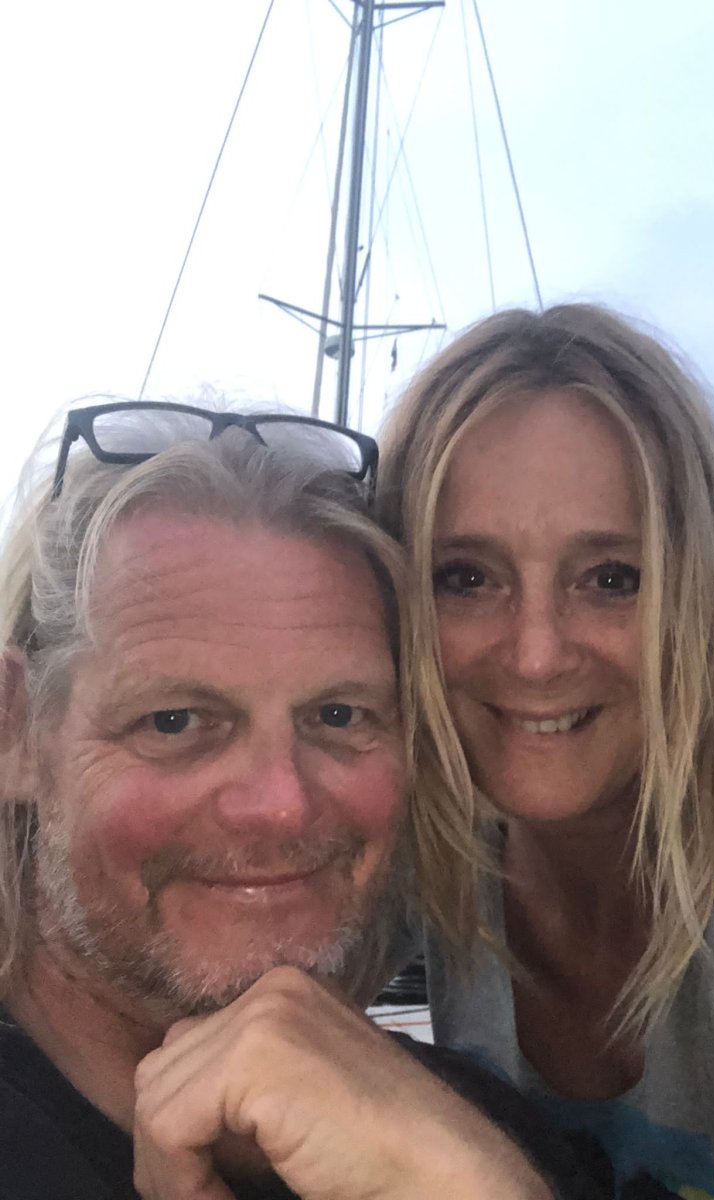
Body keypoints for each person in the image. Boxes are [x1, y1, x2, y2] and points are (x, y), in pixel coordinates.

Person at [0, 399, 613, 1200]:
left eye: (338, 716)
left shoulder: (456, 1126)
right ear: (16, 732)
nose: (281, 805)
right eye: (174, 721)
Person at [377, 304, 714, 1200]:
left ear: (702, 600)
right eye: (464, 577)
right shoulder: (433, 838)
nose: (535, 653)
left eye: (611, 579)